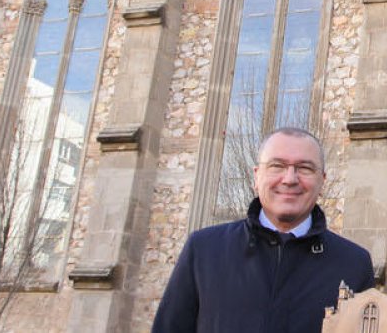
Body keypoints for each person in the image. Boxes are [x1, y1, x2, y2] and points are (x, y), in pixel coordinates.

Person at [152, 127, 375, 333]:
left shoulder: (354, 264)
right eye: (277, 166)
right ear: (256, 177)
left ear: (322, 181)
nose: (289, 179)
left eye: (305, 168)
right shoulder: (204, 250)